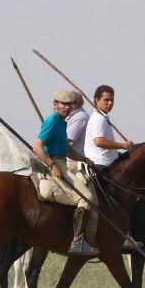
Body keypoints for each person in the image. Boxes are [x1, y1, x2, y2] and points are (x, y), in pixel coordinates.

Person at [32, 91, 99, 256]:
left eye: (70, 104)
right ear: (55, 104)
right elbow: (37, 147)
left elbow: (67, 150)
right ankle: (78, 242)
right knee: (86, 198)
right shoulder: (52, 121)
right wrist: (52, 165)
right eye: (63, 104)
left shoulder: (62, 122)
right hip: (55, 163)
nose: (67, 107)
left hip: (63, 161)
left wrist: (85, 159)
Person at [84, 85, 134, 168]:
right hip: (100, 164)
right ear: (96, 100)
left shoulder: (103, 117)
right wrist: (123, 146)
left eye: (112, 100)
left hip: (106, 162)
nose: (110, 103)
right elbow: (99, 142)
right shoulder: (98, 118)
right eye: (106, 100)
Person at [65, 91, 90, 162]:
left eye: (68, 103)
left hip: (76, 161)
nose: (66, 106)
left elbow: (65, 141)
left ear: (76, 103)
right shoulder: (74, 116)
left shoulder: (80, 117)